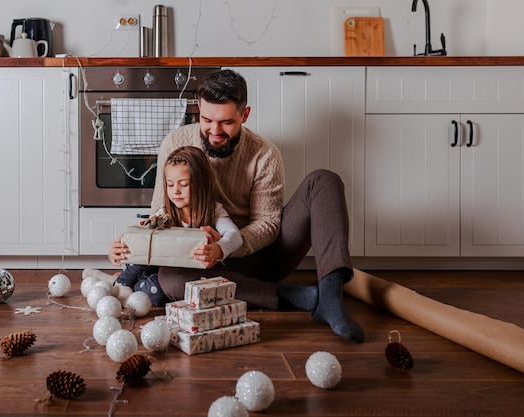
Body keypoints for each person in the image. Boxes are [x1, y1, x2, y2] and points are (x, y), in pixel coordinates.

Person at [110, 69, 364, 343]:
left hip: (260, 257)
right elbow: (162, 215)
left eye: (226, 122)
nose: (215, 131)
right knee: (170, 279)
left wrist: (227, 245)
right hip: (201, 263)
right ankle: (295, 296)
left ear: (245, 115)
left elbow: (268, 225)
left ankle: (330, 297)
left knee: (324, 180)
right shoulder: (175, 143)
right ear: (198, 112)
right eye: (207, 120)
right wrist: (132, 246)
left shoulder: (265, 153)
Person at [114, 145, 243, 306]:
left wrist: (219, 249)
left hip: (175, 273)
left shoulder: (214, 210)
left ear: (201, 183)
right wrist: (118, 248)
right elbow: (140, 239)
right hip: (155, 264)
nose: (176, 191)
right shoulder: (165, 212)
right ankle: (122, 283)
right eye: (170, 184)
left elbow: (235, 236)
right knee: (144, 242)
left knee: (156, 296)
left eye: (183, 184)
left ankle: (127, 285)